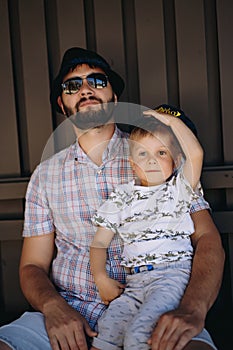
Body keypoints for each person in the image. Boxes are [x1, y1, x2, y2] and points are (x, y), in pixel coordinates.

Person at [0, 47, 224, 350]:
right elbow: (32, 266)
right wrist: (54, 309)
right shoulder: (45, 175)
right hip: (72, 311)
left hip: (159, 303)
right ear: (62, 103)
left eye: (97, 81)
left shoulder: (154, 153)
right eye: (72, 85)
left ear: (115, 98)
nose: (86, 89)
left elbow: (208, 239)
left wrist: (193, 309)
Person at [89, 111, 211, 349]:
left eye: (161, 153)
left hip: (171, 277)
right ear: (133, 164)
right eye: (143, 154)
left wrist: (171, 122)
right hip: (134, 281)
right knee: (107, 332)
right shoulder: (122, 196)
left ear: (175, 161)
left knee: (140, 335)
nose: (152, 160)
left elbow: (196, 154)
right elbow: (99, 243)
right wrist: (100, 277)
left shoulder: (179, 190)